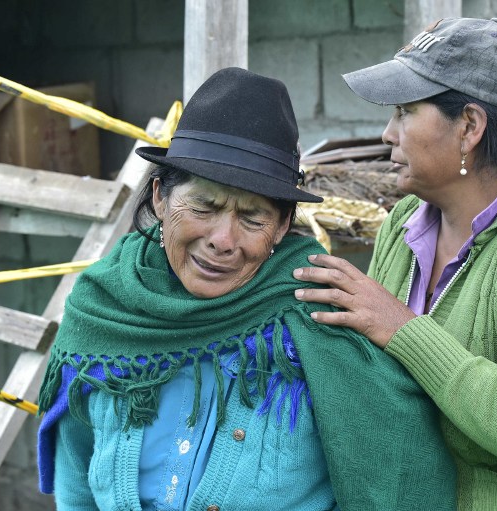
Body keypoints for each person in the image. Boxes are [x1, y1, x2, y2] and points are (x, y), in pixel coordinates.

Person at [36, 67, 456, 511]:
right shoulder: (103, 308)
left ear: (282, 227)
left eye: (253, 218)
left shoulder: (320, 318)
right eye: (203, 206)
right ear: (160, 197)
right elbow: (76, 484)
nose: (223, 240)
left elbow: (399, 474)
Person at [293, 17, 497, 510]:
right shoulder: (404, 223)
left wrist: (404, 329)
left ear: (469, 127)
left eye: (405, 112)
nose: (387, 134)